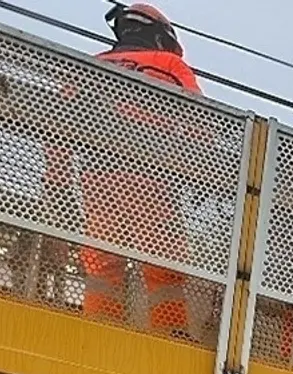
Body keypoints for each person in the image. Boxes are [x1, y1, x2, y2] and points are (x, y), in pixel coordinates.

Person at [80, 5, 201, 336]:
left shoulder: (93, 65)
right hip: (150, 173)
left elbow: (59, 116)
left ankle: (100, 328)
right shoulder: (169, 64)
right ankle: (170, 334)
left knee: (103, 258)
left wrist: (57, 179)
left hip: (95, 176)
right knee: (165, 259)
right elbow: (202, 121)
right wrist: (200, 171)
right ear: (161, 36)